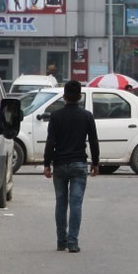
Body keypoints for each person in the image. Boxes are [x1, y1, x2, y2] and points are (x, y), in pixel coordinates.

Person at [42, 80, 100, 253]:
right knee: (76, 204)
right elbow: (93, 141)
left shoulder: (56, 116)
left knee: (61, 203)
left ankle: (61, 241)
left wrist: (46, 163)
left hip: (60, 164)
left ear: (64, 96)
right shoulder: (87, 116)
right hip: (79, 164)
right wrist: (95, 163)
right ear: (80, 96)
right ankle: (73, 242)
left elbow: (50, 141)